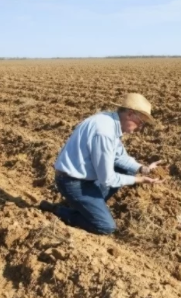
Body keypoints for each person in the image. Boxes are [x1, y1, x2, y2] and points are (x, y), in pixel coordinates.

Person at [39, 93, 164, 235]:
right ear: (130, 114)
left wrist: (143, 169)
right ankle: (59, 211)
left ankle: (89, 206)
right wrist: (139, 179)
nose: (140, 127)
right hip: (72, 182)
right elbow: (107, 179)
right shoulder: (104, 132)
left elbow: (119, 157)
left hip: (85, 177)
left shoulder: (109, 121)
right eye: (141, 122)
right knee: (105, 226)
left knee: (127, 170)